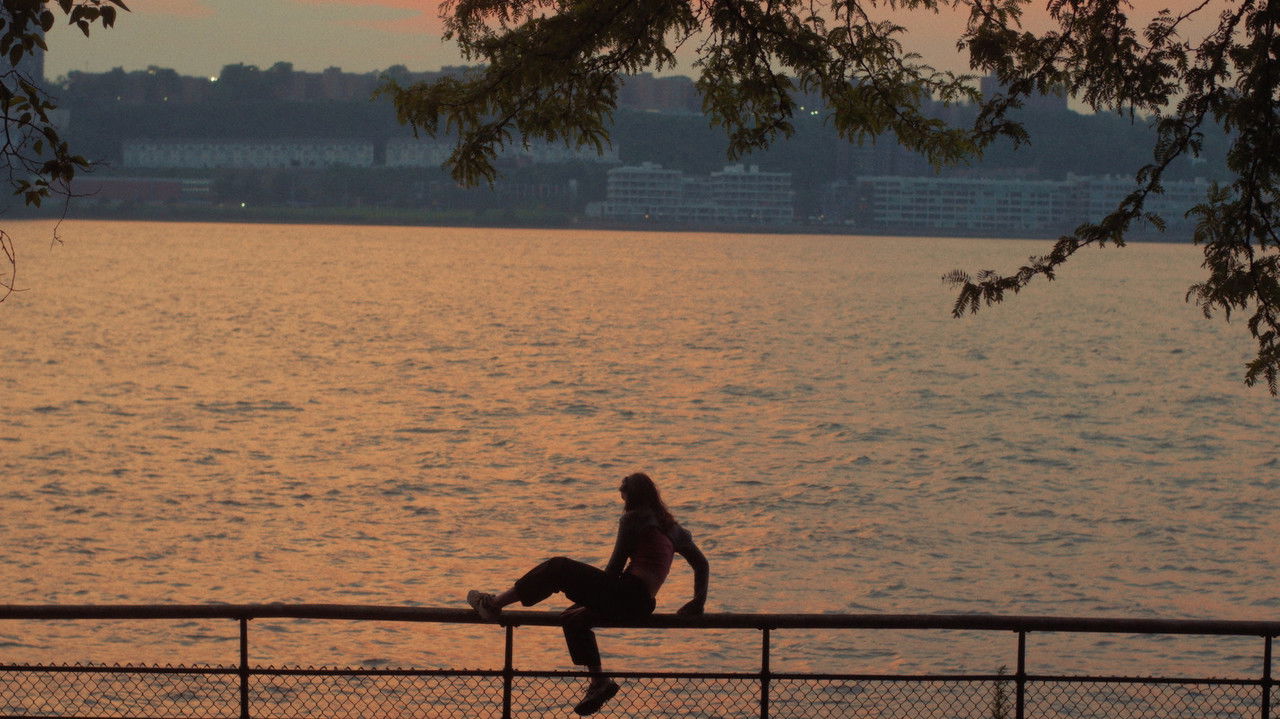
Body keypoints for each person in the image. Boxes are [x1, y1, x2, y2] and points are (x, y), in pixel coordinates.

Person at [466, 472, 710, 716]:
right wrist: (698, 602)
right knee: (572, 618)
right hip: (643, 603)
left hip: (627, 593)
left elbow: (613, 569)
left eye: (623, 498)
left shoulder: (634, 519)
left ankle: (493, 604)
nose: (623, 503)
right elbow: (702, 564)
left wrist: (594, 599)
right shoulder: (673, 529)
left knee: (557, 567)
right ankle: (598, 681)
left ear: (630, 498)